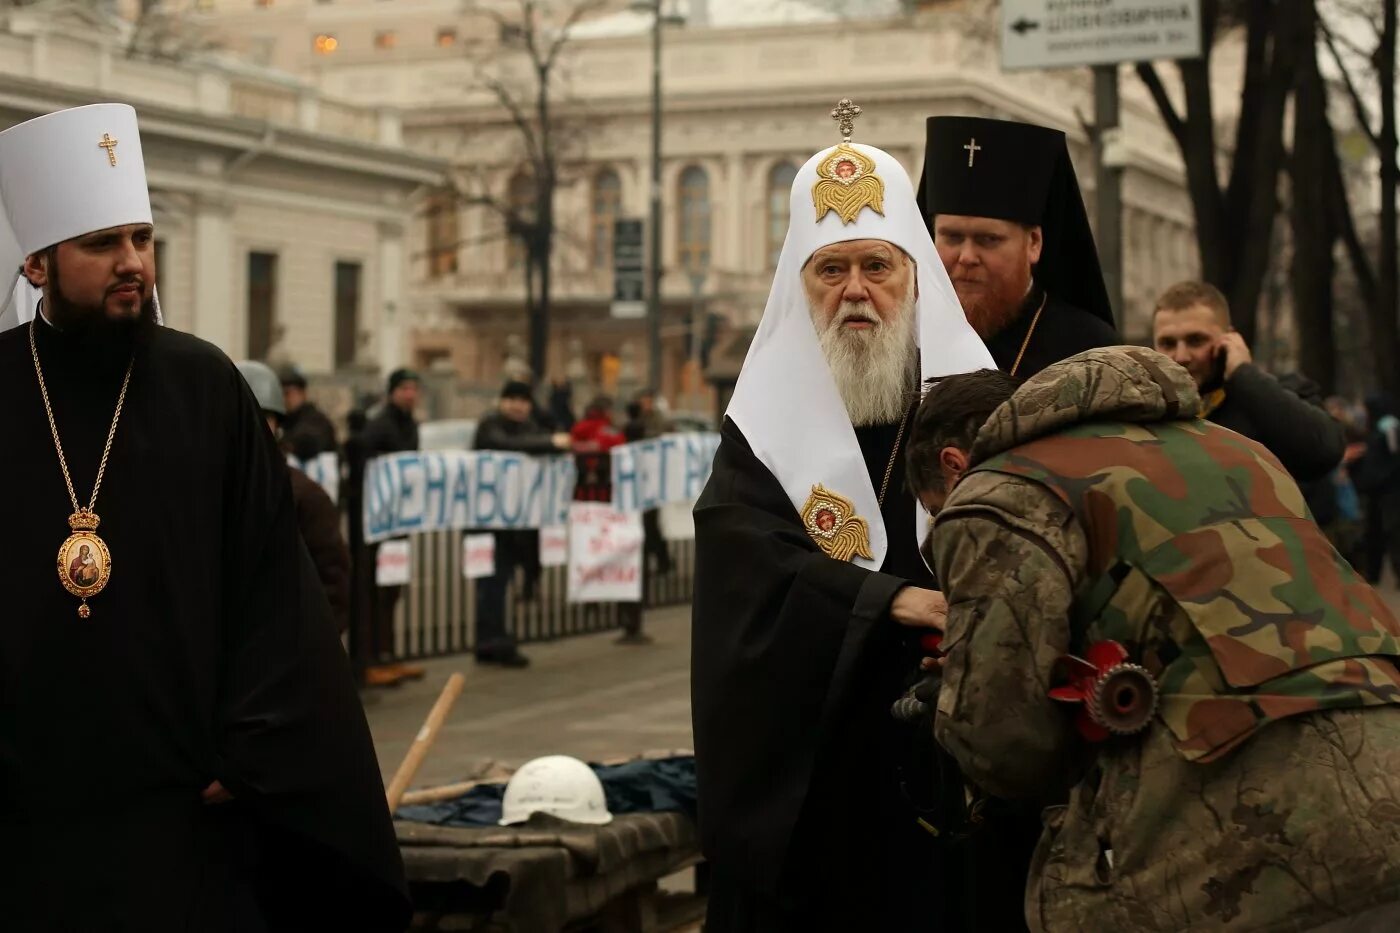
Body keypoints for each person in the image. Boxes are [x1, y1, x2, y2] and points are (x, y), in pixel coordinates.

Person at [0, 103, 408, 930]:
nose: (133, 264)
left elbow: (272, 586)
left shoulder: (203, 385)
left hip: (181, 809)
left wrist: (252, 746)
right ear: (38, 264)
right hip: (25, 811)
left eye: (142, 240)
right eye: (103, 244)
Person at [907, 347, 1400, 932]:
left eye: (935, 511)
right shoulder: (1235, 448)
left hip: (1239, 854)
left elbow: (1002, 743)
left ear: (955, 466)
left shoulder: (996, 493)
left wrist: (955, 698)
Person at [692, 101, 995, 931]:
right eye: (830, 270)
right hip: (813, 777)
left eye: (876, 265)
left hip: (949, 764)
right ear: (801, 285)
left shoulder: (978, 410)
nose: (855, 290)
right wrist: (891, 600)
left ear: (914, 277)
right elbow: (743, 562)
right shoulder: (760, 429)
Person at [917, 115, 1120, 378]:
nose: (966, 257)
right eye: (952, 237)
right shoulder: (901, 340)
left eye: (988, 239)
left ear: (1034, 243)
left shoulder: (1092, 354)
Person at [1153, 280, 1345, 481]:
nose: (1181, 356)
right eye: (1167, 343)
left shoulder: (1269, 396)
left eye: (1196, 340)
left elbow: (1324, 451)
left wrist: (1242, 373)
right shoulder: (1148, 410)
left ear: (1230, 339)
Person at [238, 360, 352, 634]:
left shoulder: (305, 496)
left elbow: (332, 586)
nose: (253, 426)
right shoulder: (203, 488)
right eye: (243, 414)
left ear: (278, 424)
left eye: (264, 416)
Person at [471, 380, 572, 667]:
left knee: (502, 582)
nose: (517, 406)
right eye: (511, 399)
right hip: (490, 522)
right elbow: (505, 444)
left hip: (517, 523)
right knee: (491, 583)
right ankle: (492, 641)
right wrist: (550, 442)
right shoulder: (490, 426)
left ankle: (493, 638)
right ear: (501, 402)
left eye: (524, 400)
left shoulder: (531, 427)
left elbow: (554, 441)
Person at [360, 367, 423, 686]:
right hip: (380, 520)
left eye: (414, 388)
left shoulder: (409, 423)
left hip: (398, 518)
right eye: (404, 389)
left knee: (392, 587)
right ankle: (370, 657)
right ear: (393, 392)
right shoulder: (381, 424)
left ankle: (387, 651)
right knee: (375, 589)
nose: (410, 394)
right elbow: (364, 456)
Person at [625, 389, 674, 577]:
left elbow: (663, 436)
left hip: (653, 477)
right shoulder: (637, 416)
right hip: (641, 477)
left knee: (652, 524)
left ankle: (662, 561)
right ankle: (655, 562)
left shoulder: (658, 418)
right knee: (646, 525)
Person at [1354, 393, 1400, 585]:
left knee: (1393, 531)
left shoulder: (1389, 427)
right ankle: (1372, 574)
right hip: (1374, 490)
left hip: (1390, 490)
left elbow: (1394, 456)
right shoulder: (1374, 428)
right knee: (1374, 533)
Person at [277, 362, 338, 462]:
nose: (284, 399)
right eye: (281, 393)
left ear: (303, 394)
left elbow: (308, 443)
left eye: (288, 393)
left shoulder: (316, 420)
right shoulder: (283, 420)